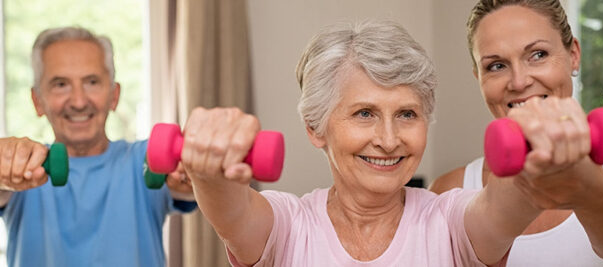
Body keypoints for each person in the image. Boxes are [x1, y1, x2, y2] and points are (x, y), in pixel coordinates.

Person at [180, 20, 551, 267]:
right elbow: (232, 211)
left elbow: (507, 205)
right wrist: (209, 169)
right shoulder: (287, 225)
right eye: (364, 113)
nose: (389, 141)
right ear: (315, 127)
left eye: (407, 114)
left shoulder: (452, 221)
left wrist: (541, 152)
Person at [429, 1, 603, 266]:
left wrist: (584, 183)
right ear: (478, 77)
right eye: (496, 66)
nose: (519, 81)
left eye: (538, 54)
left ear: (573, 54)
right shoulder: (450, 189)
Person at [0, 26, 197, 266]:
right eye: (61, 84)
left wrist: (193, 174)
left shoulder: (145, 160)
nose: (79, 102)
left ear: (114, 95)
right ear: (37, 101)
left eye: (92, 82)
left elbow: (190, 187)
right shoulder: (24, 166)